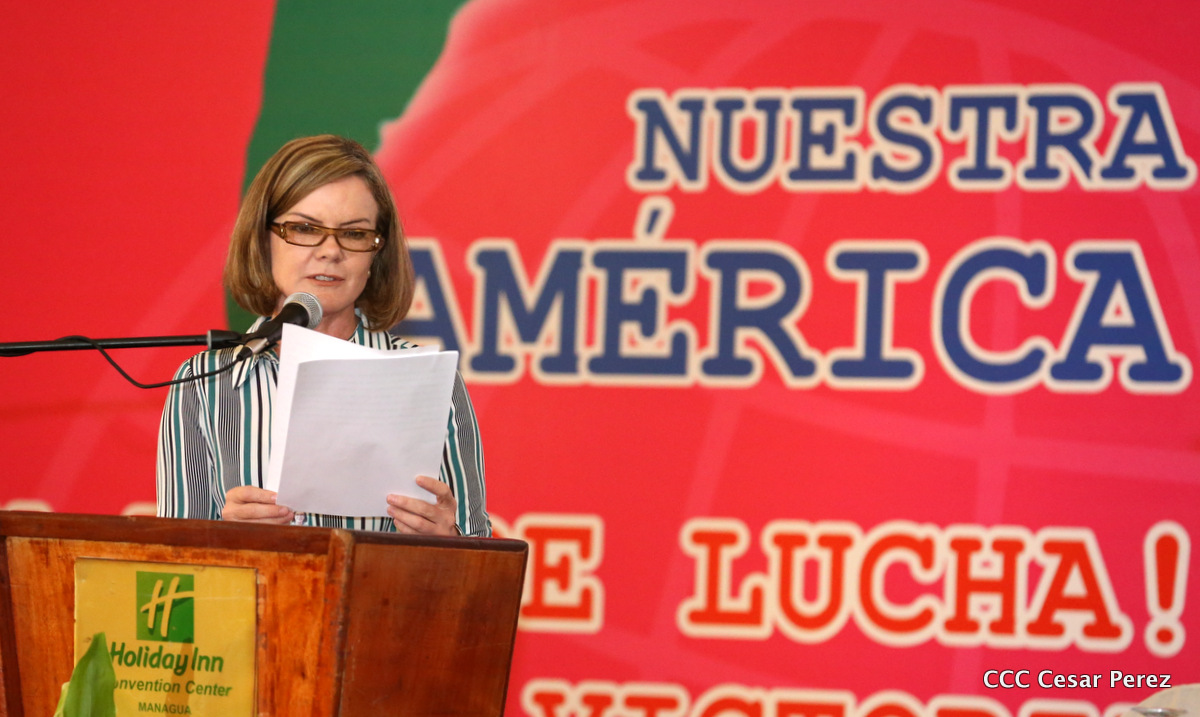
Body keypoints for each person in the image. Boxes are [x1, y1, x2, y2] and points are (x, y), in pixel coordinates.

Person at [156, 134, 490, 537]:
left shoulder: (429, 380)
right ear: (263, 240)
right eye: (304, 228)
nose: (331, 251)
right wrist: (225, 538)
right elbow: (173, 559)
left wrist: (447, 542)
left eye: (354, 234)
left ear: (376, 254)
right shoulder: (205, 382)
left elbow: (482, 558)